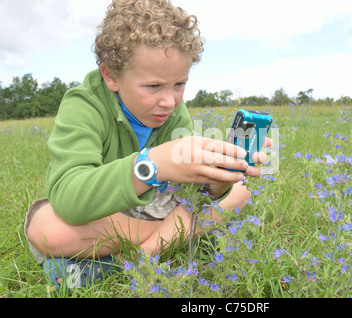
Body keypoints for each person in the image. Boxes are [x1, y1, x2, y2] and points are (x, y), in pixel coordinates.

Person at [24, 0, 270, 289]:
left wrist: (216, 176)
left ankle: (135, 258)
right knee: (45, 227)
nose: (169, 100)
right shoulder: (84, 104)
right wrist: (150, 166)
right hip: (104, 208)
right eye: (153, 86)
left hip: (157, 204)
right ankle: (176, 240)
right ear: (111, 76)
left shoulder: (173, 109)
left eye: (179, 84)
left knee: (239, 192)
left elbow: (191, 195)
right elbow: (69, 198)